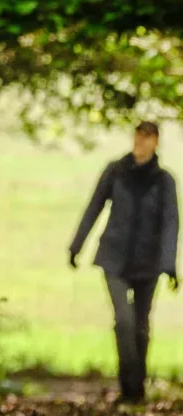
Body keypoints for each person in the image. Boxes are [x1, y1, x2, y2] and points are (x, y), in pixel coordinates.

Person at [68, 121, 179, 404]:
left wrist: (169, 265)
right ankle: (126, 383)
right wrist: (76, 246)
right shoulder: (115, 171)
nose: (140, 144)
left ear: (155, 142)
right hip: (114, 258)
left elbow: (170, 224)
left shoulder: (164, 181)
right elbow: (94, 206)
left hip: (149, 262)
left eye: (147, 139)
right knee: (124, 321)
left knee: (142, 326)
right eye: (138, 138)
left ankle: (136, 390)